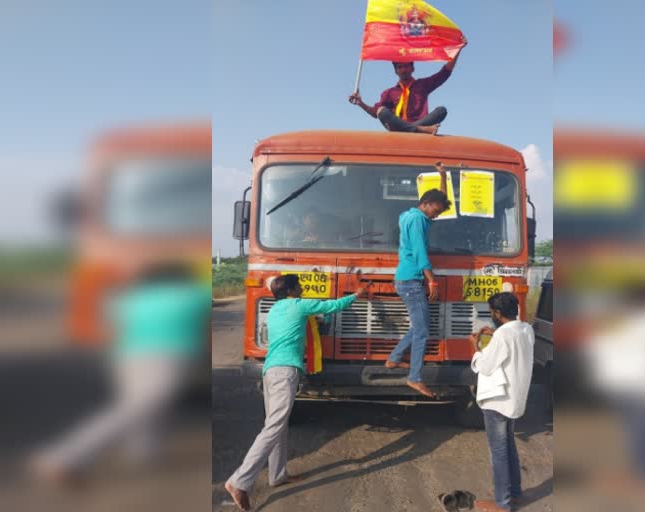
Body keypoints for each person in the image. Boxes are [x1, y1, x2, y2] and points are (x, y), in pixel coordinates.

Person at [30, 264, 210, 484]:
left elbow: (111, 324)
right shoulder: (191, 295)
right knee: (140, 406)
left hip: (125, 355)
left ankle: (144, 454)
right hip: (167, 355)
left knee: (143, 404)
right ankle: (63, 456)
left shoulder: (128, 298)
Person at [225, 274, 368, 511]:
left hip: (270, 371)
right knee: (273, 427)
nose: (302, 288)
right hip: (285, 372)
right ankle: (239, 481)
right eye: (299, 286)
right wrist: (357, 295)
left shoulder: (275, 309)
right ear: (291, 290)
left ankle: (277, 475)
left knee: (277, 424)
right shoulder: (299, 305)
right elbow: (332, 306)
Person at [386, 162, 450, 398]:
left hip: (407, 279)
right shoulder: (417, 221)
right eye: (436, 210)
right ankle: (414, 378)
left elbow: (439, 197)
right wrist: (432, 280)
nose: (437, 214)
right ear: (425, 204)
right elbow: (421, 251)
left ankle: (394, 359)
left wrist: (442, 176)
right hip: (412, 280)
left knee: (419, 327)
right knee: (423, 331)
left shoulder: (410, 216)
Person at [469, 292, 535, 512]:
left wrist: (475, 348)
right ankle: (514, 494)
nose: (491, 315)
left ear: (497, 313)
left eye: (492, 311)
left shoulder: (502, 336)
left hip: (498, 400)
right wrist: (495, 333)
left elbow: (485, 366)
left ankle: (502, 504)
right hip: (514, 399)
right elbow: (511, 343)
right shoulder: (526, 329)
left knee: (498, 451)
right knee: (509, 447)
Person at [348, 49, 462, 135]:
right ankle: (418, 130)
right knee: (382, 111)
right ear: (396, 71)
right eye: (400, 67)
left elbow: (444, 73)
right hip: (398, 126)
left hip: (418, 123)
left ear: (412, 69)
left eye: (407, 66)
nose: (403, 70)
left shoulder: (422, 85)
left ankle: (413, 128)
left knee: (441, 110)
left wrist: (458, 50)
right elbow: (375, 113)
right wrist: (360, 103)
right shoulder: (389, 93)